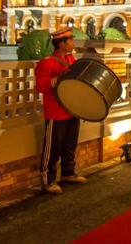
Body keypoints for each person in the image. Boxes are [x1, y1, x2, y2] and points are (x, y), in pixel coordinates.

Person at [35, 28, 86, 194]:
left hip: (72, 110)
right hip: (56, 112)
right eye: (70, 40)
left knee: (70, 145)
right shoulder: (46, 63)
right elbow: (41, 87)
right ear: (61, 44)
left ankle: (68, 173)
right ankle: (47, 180)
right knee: (53, 148)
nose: (72, 43)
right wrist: (58, 79)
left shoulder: (72, 60)